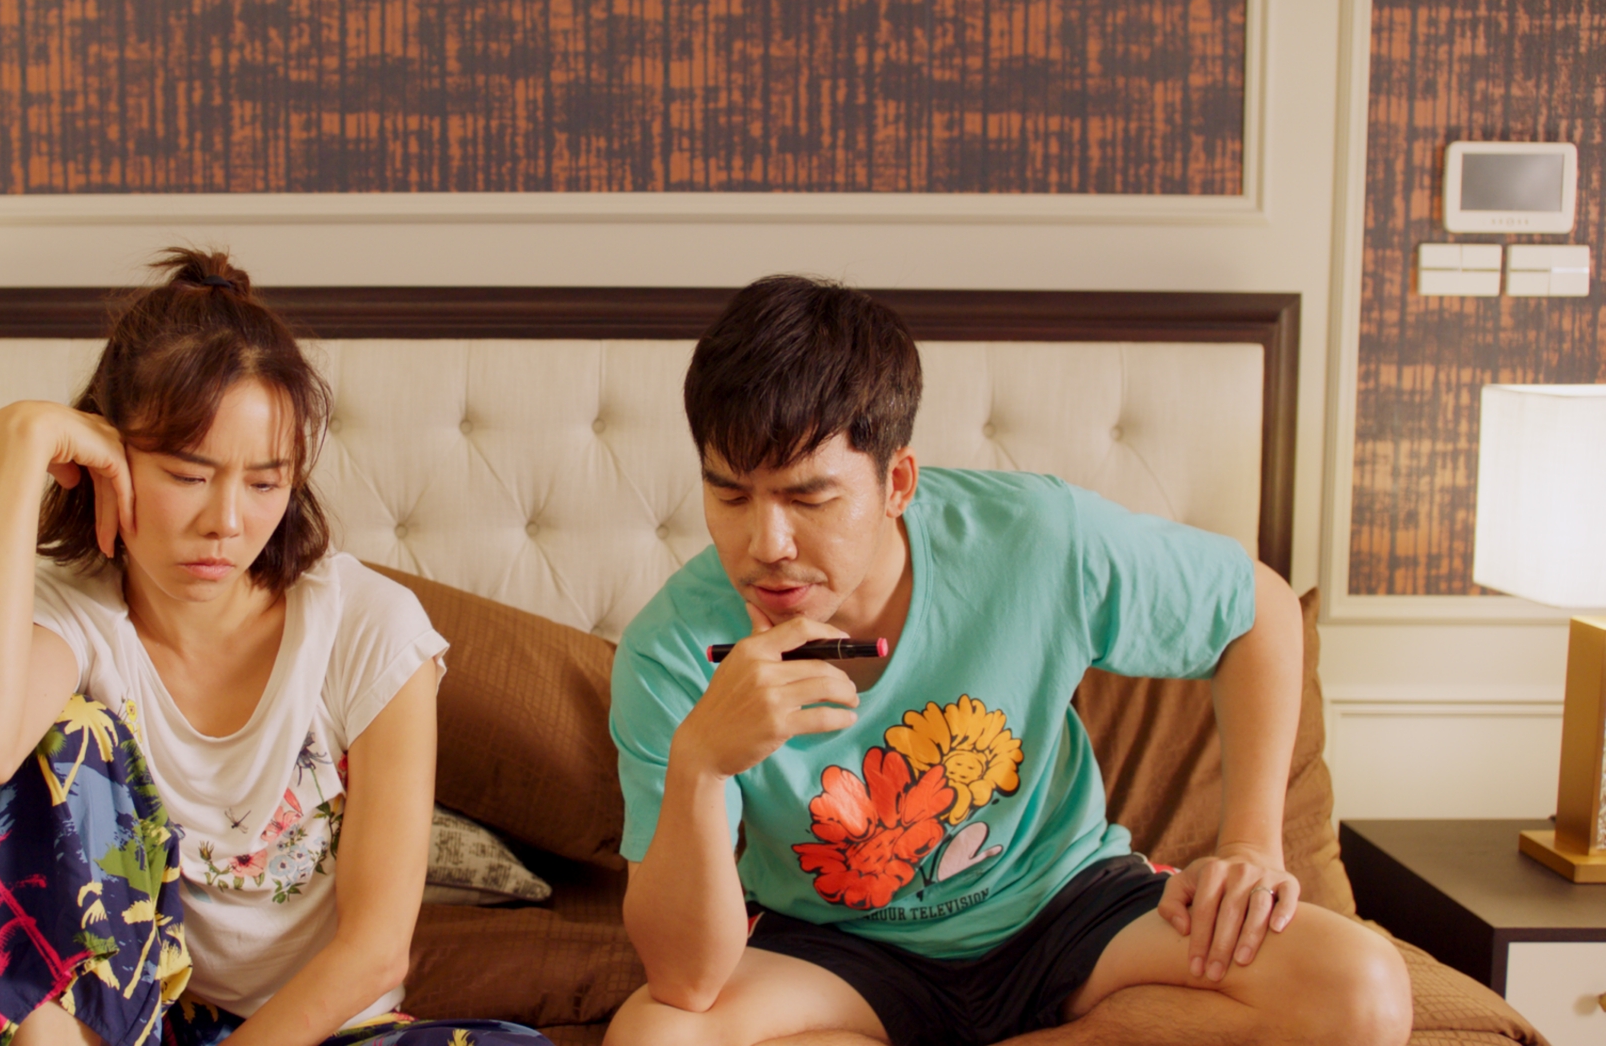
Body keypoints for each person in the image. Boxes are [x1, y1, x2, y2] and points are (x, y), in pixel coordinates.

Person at [603, 276, 1412, 1046]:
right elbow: (685, 980)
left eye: (809, 497)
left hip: (1066, 908)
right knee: (655, 1035)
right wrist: (700, 764)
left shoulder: (1035, 539)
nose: (767, 544)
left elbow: (1258, 611)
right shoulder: (670, 649)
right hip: (834, 949)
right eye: (730, 496)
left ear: (897, 482)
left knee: (1361, 989)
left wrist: (1251, 845)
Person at [0, 249, 545, 1046]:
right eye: (188, 475)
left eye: (263, 483)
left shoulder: (369, 627)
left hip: (323, 1034)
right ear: (108, 458)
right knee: (61, 734)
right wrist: (17, 440)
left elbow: (375, 950)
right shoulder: (73, 610)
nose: (225, 522)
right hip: (121, 1028)